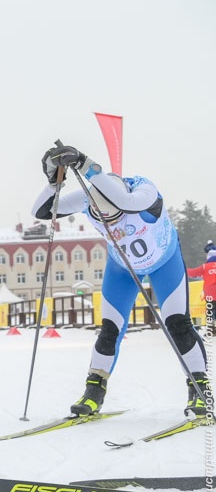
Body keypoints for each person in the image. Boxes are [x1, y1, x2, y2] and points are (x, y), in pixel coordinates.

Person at [34, 142, 208, 417]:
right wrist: (53, 181)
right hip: (122, 269)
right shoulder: (90, 196)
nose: (112, 225)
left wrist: (83, 161)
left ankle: (200, 390)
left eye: (116, 219)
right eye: (104, 221)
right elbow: (42, 212)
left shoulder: (143, 191)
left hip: (165, 262)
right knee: (109, 330)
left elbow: (127, 203)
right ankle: (93, 393)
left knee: (178, 324)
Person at [187, 240, 216, 336]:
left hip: (210, 294)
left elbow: (192, 273)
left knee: (210, 312)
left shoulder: (205, 267)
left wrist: (183, 269)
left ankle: (211, 330)